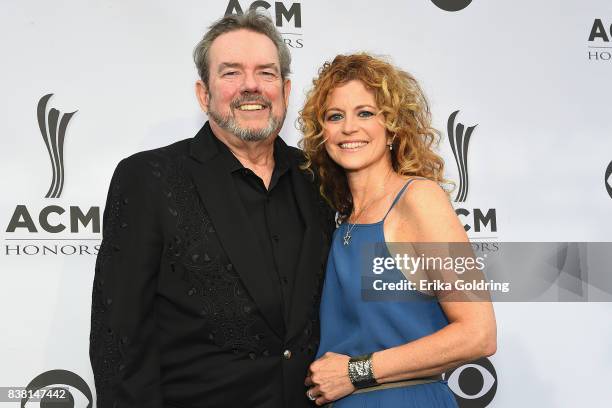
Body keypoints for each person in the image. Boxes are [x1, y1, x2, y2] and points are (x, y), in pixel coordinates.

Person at [89, 11, 334, 408]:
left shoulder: (317, 180)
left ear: (286, 91)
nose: (251, 86)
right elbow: (118, 339)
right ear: (204, 94)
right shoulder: (150, 177)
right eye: (231, 73)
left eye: (266, 73)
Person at [299, 53, 497, 407]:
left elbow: (478, 334)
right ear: (322, 132)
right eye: (335, 116)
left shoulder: (420, 199)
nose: (349, 128)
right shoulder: (339, 219)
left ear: (391, 126)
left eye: (365, 113)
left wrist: (355, 372)